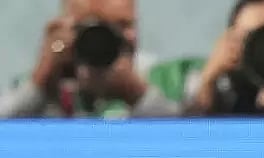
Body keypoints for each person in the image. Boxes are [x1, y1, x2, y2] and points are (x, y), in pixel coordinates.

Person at [0, 0, 196, 119]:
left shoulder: (167, 78)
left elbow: (191, 145)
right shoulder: (45, 86)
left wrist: (136, 94)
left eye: (124, 25)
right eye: (96, 28)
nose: (107, 40)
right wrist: (41, 82)